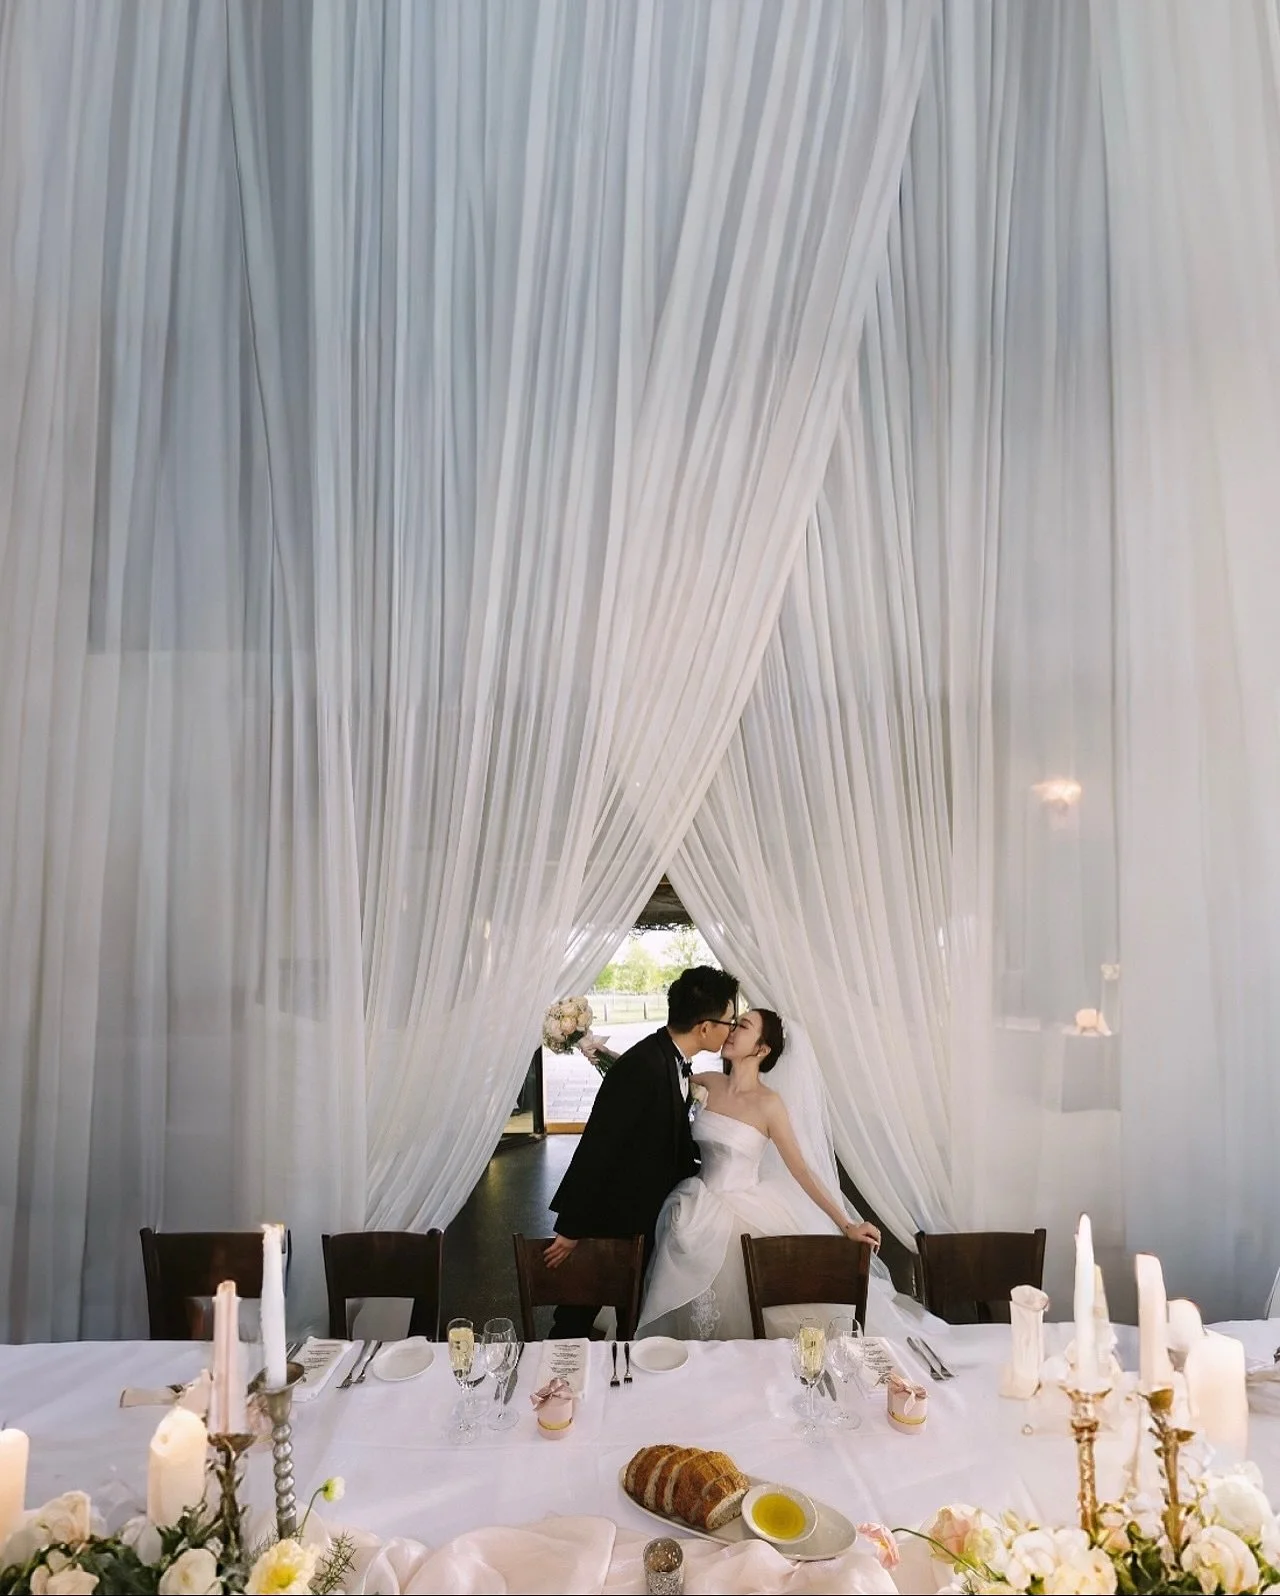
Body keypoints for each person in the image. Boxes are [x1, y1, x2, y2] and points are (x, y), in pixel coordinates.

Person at [637, 1007, 898, 1341]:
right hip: (696, 1206)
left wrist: (846, 1223)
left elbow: (802, 1171)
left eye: (743, 1026)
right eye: (735, 1023)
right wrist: (602, 1056)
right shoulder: (708, 1082)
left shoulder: (769, 1104)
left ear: (761, 1049)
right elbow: (653, 1082)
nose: (731, 1030)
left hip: (745, 1213)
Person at [544, 965, 741, 1338]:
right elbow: (597, 1146)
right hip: (612, 1217)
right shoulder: (642, 1066)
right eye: (729, 1021)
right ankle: (551, 1387)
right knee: (574, 1320)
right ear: (704, 1027)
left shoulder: (666, 1059)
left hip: (643, 1212)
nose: (731, 1028)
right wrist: (571, 1228)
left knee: (626, 1314)